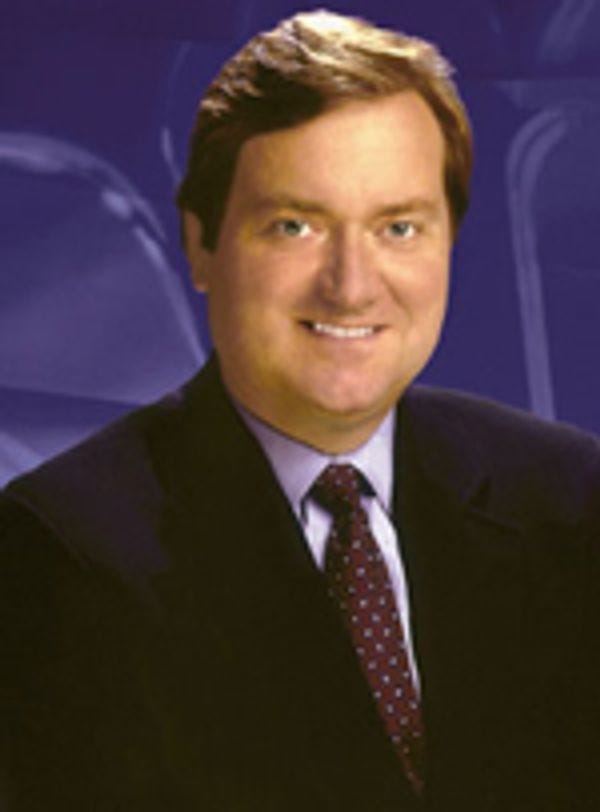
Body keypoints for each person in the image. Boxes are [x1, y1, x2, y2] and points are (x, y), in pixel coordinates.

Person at [1, 9, 599, 811]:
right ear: (202, 244)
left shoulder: (569, 498)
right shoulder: (61, 552)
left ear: (449, 242)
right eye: (295, 225)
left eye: (398, 228)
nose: (351, 285)